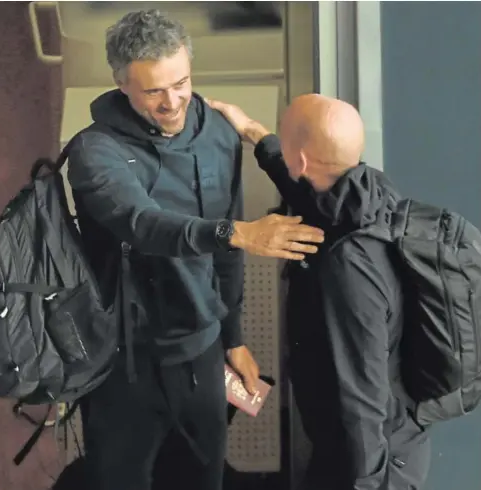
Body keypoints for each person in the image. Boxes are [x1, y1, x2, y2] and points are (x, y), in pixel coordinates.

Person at [66, 10, 324, 490]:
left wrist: (234, 338)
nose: (172, 102)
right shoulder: (93, 152)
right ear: (122, 84)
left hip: (201, 350)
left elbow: (224, 261)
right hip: (123, 358)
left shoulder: (219, 135)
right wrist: (235, 232)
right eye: (154, 91)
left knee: (202, 477)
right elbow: (142, 224)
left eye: (181, 82)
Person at [207, 94, 431, 490]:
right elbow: (303, 190)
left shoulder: (348, 268)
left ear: (305, 162)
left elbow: (364, 397)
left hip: (368, 463)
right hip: (369, 443)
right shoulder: (369, 196)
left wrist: (367, 482)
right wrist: (254, 133)